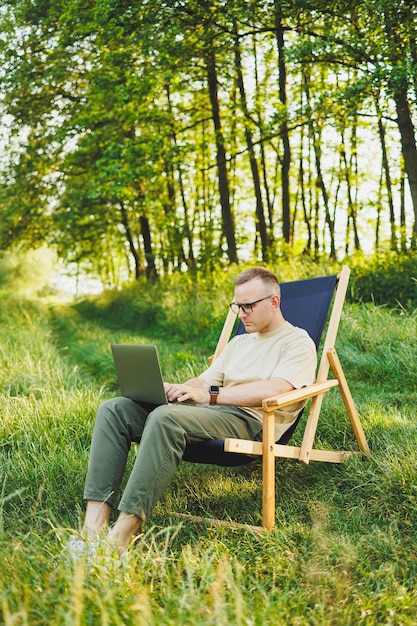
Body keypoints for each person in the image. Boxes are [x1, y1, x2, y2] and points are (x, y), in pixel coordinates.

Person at [73, 266, 317, 555]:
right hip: (216, 416)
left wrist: (210, 396)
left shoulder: (297, 341)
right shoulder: (239, 343)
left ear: (274, 302)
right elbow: (205, 381)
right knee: (115, 409)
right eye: (237, 306)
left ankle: (119, 541)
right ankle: (91, 532)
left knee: (165, 419)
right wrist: (180, 389)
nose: (242, 314)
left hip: (252, 422)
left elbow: (277, 390)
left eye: (249, 306)